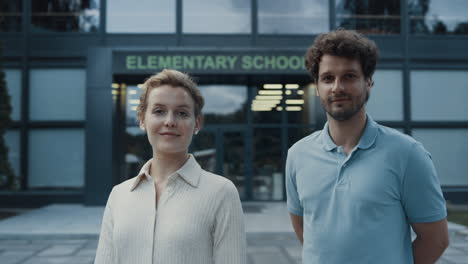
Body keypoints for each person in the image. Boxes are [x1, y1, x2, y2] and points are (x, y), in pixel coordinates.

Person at [286, 29, 449, 264]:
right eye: (328, 78)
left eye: (349, 76)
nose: (337, 87)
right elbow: (305, 231)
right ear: (317, 85)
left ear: (368, 82)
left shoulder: (407, 154)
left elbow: (436, 240)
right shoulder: (297, 155)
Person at [95, 69, 246, 264]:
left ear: (197, 123)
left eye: (182, 113)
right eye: (159, 111)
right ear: (142, 120)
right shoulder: (119, 195)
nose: (170, 122)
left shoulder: (222, 193)